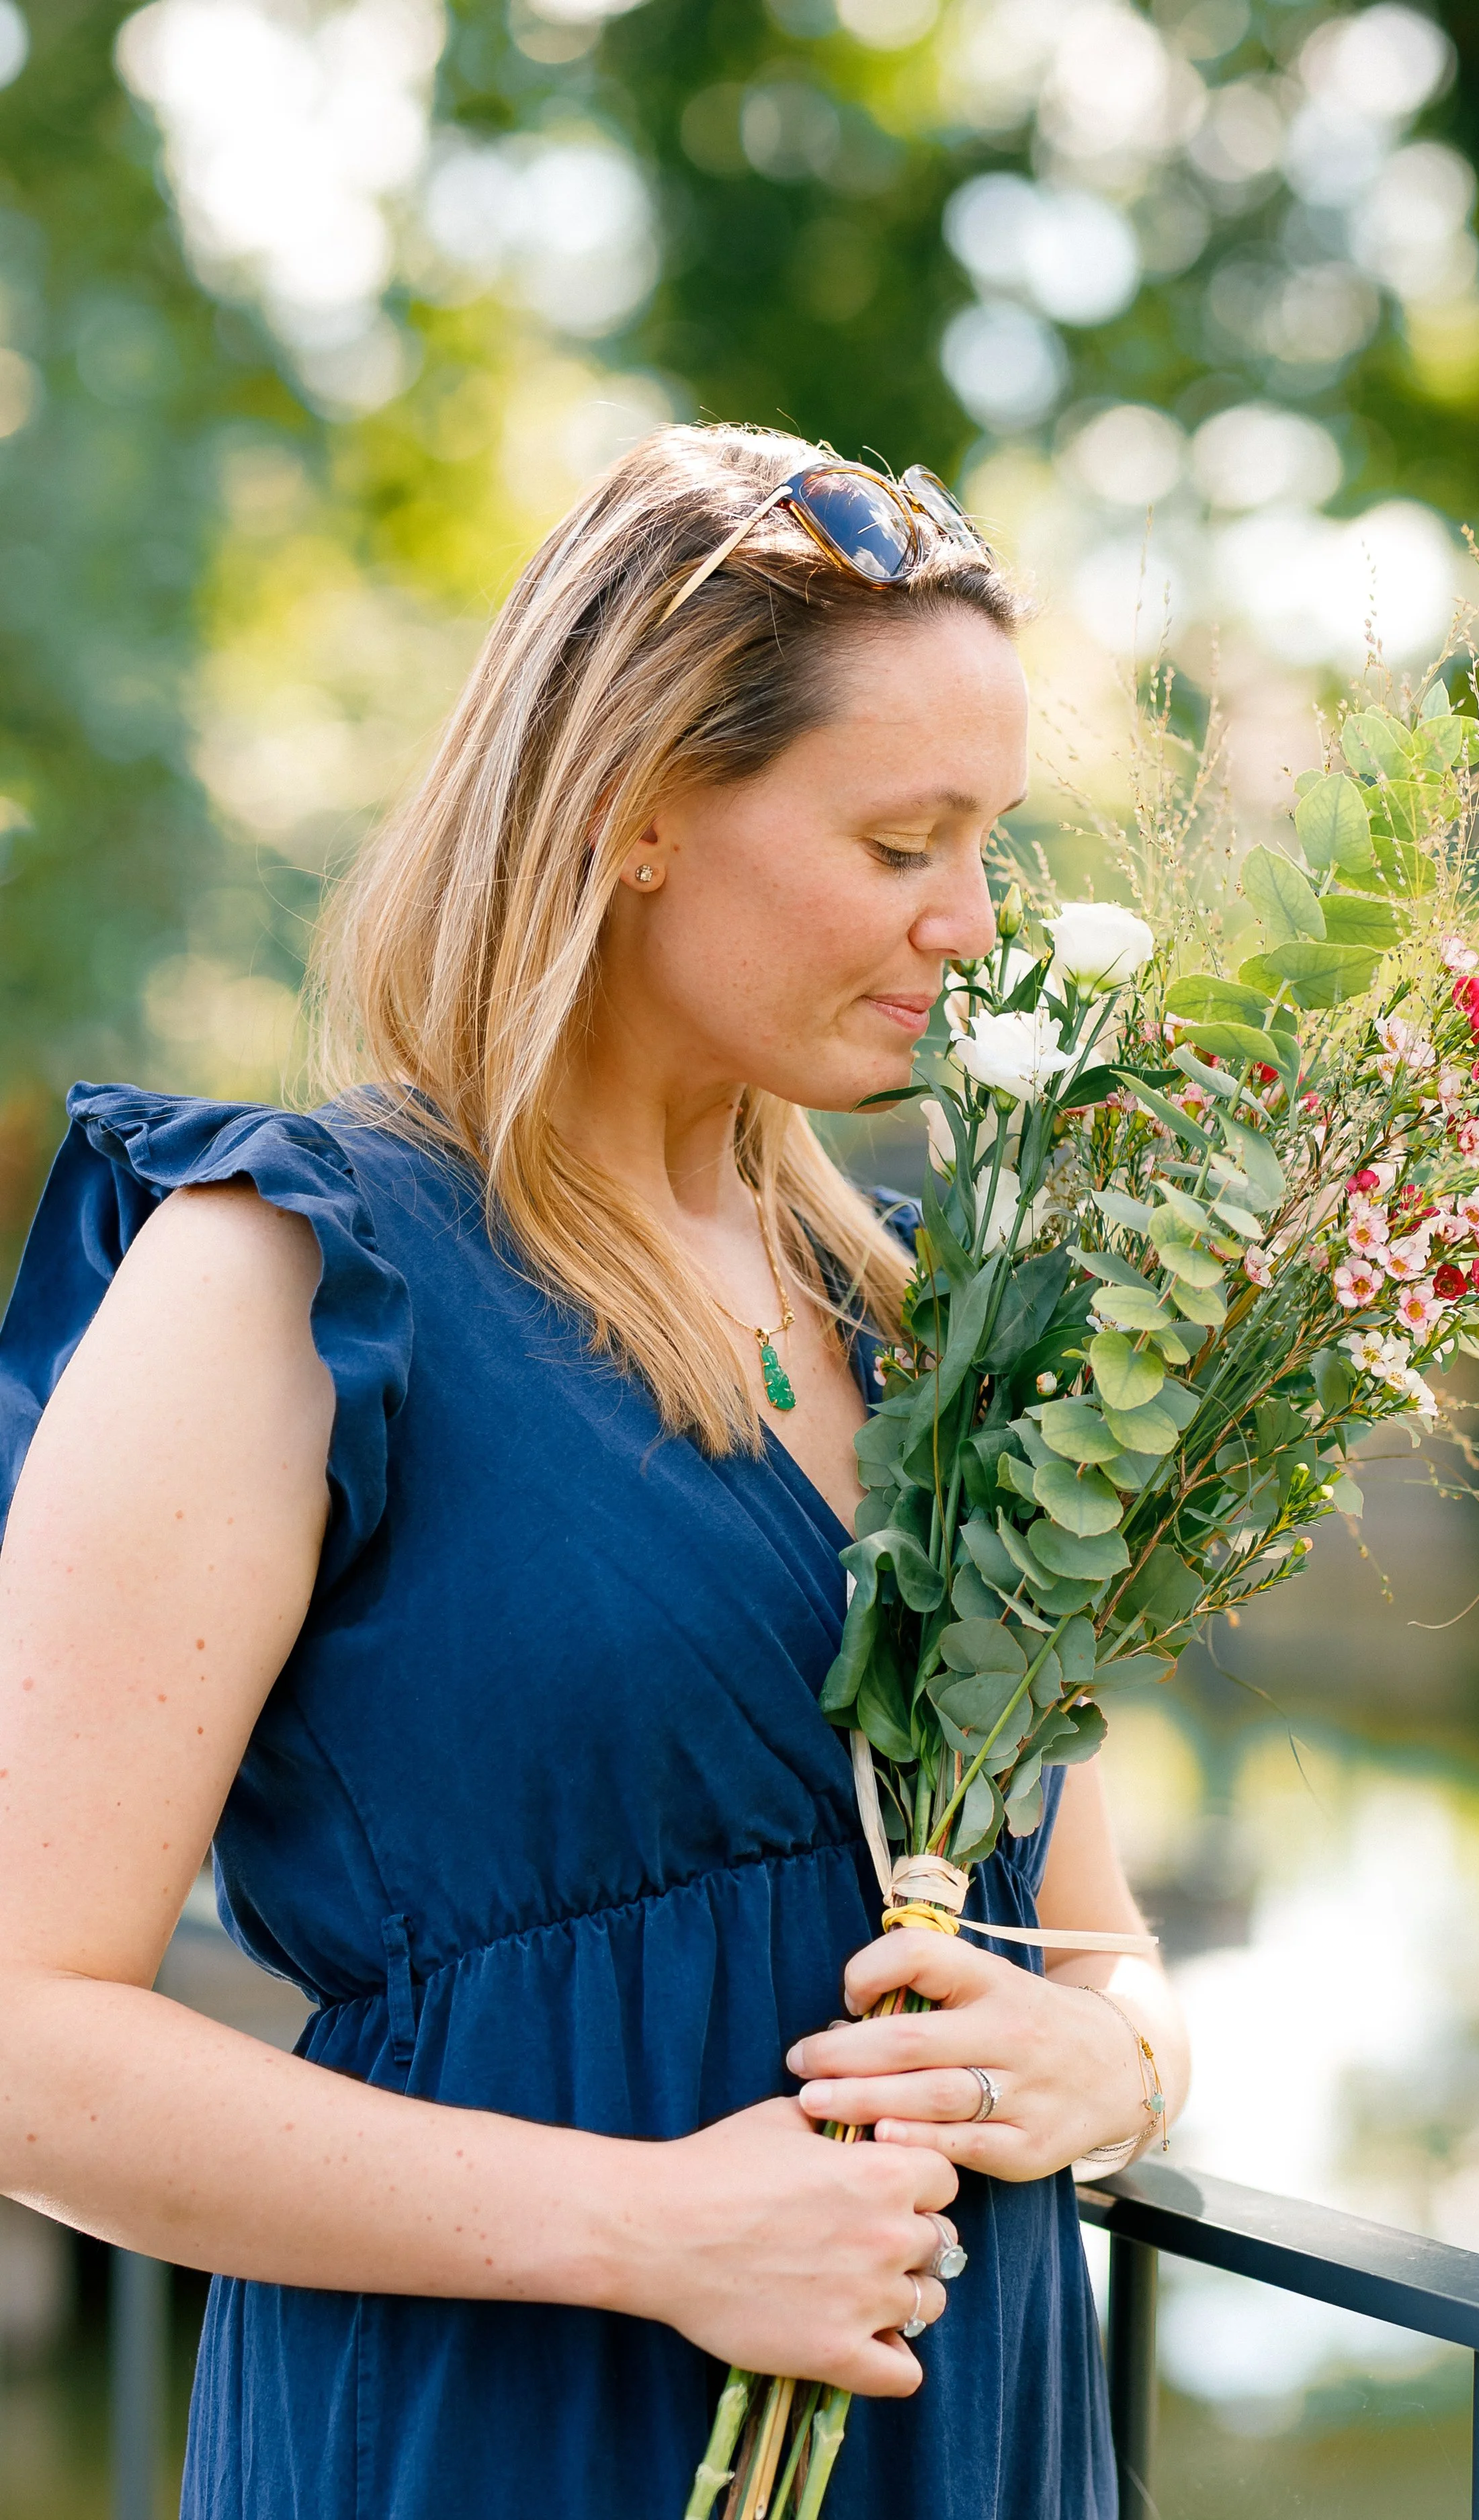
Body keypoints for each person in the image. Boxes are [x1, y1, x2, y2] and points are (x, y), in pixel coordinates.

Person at [0, 425, 1189, 2520]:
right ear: (637, 814)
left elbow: (1086, 1949)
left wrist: (1119, 2072)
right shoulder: (287, 1271)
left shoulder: (934, 1313)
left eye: (989, 840)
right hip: (500, 2437)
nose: (972, 925)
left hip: (961, 2434)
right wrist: (647, 2227)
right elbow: (24, 2033)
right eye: (902, 840)